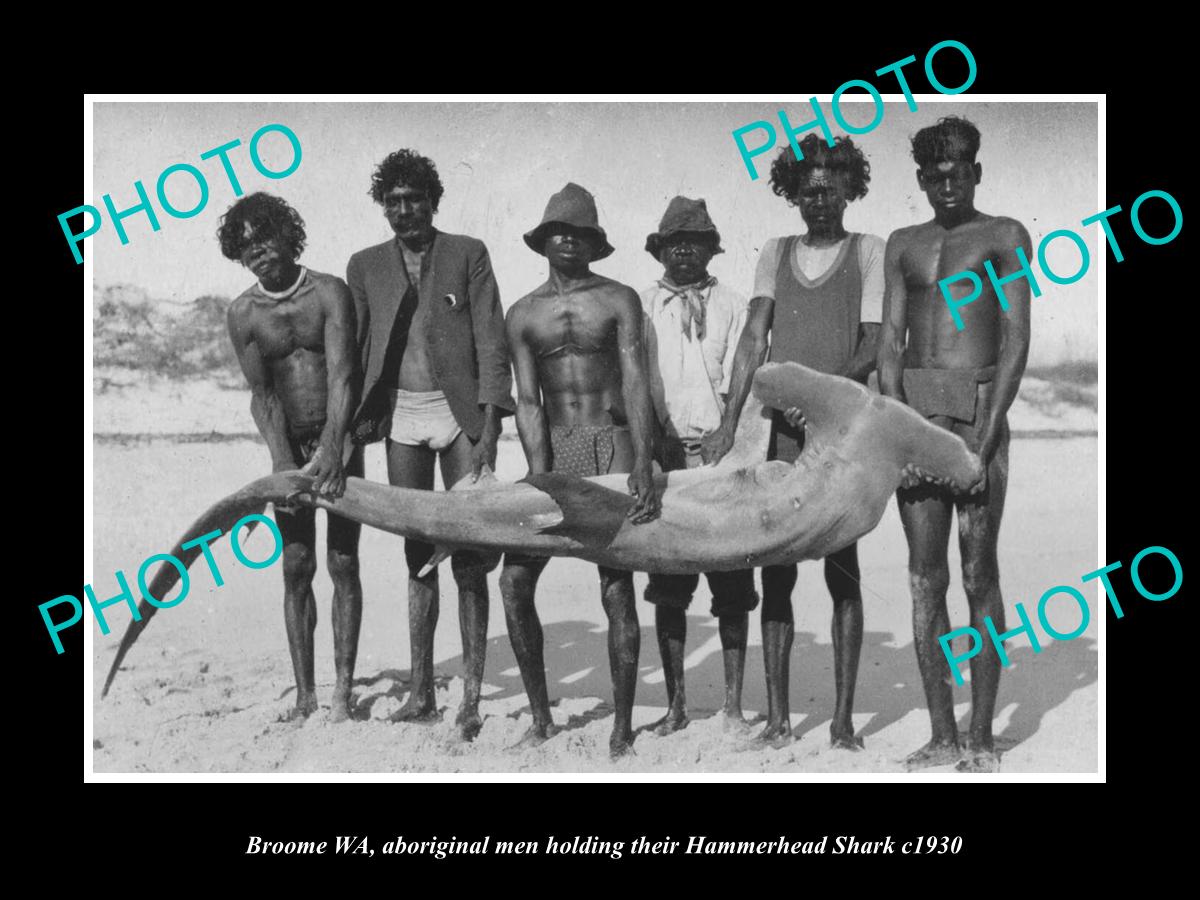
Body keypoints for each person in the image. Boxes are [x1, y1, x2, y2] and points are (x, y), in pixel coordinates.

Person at [704, 135, 884, 749]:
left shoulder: (869, 251)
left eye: (831, 189)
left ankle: (841, 721)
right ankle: (779, 719)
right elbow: (754, 339)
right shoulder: (775, 253)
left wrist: (826, 395)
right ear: (793, 193)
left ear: (850, 189)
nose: (820, 201)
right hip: (783, 434)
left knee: (844, 572)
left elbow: (875, 342)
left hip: (842, 434)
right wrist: (730, 423)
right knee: (776, 570)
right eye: (809, 190)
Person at [877, 116, 1031, 773]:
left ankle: (982, 737)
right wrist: (897, 422)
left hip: (977, 414)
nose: (946, 185)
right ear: (920, 179)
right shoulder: (903, 243)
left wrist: (989, 430)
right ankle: (941, 735)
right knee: (923, 579)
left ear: (976, 171)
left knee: (977, 573)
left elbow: (1017, 337)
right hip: (917, 413)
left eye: (957, 173)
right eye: (934, 176)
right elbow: (888, 341)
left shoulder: (1002, 236)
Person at [347, 150, 514, 741]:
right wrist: (350, 423)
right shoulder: (365, 265)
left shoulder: (467, 252)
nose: (403, 210)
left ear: (433, 199)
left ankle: (470, 695)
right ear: (383, 207)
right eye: (392, 201)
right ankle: (421, 689)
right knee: (417, 556)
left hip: (460, 413)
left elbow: (491, 339)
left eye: (413, 198)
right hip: (400, 416)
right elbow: (356, 349)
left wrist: (491, 426)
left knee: (469, 553)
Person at [500, 183, 661, 758]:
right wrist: (537, 471)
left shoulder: (619, 299)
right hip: (556, 451)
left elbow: (636, 380)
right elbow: (527, 401)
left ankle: (621, 727)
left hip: (612, 445)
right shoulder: (522, 313)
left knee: (616, 587)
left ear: (594, 241)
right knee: (514, 580)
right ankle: (541, 718)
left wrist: (643, 459)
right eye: (558, 232)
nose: (567, 240)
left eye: (579, 232)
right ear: (544, 241)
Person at [219, 192, 363, 723]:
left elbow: (345, 375)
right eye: (247, 246)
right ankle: (306, 696)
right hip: (290, 448)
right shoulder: (243, 314)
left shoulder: (329, 292)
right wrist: (283, 462)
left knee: (343, 563)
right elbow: (263, 396)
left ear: (288, 235)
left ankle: (343, 695)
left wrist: (334, 447)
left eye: (266, 238)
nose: (259, 252)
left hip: (341, 441)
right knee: (297, 565)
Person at [639, 196, 757, 734]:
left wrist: (727, 435)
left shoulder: (735, 304)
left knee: (732, 585)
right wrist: (650, 446)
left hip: (722, 459)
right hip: (663, 457)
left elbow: (745, 382)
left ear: (712, 249)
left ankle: (732, 705)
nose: (685, 251)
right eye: (674, 242)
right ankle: (676, 705)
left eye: (696, 241)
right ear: (660, 250)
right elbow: (634, 383)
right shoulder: (639, 305)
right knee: (669, 589)